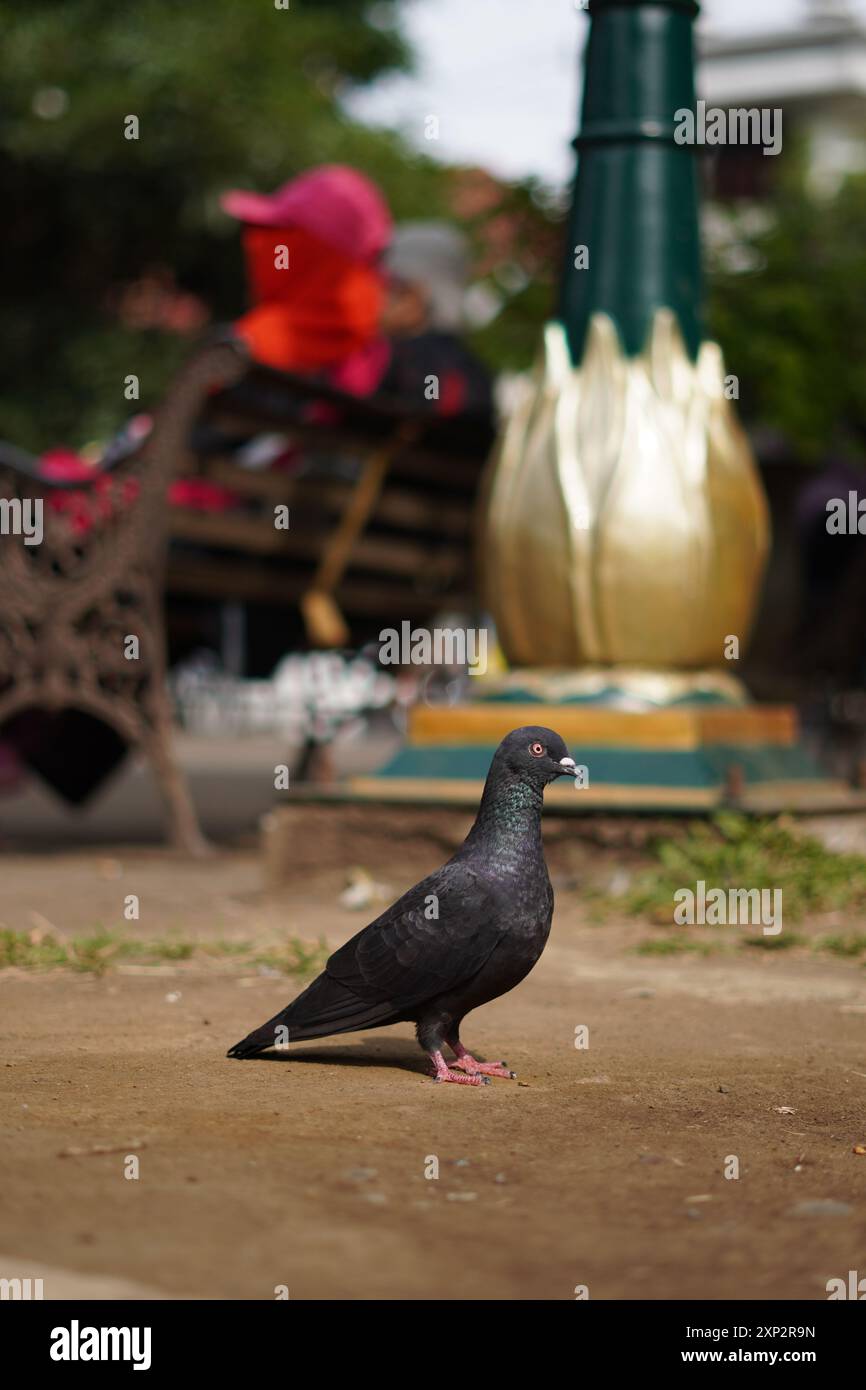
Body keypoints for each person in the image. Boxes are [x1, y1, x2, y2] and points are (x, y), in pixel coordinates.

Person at [377, 221, 494, 423]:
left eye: (389, 287)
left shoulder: (421, 363)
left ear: (414, 293)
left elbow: (430, 408)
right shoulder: (464, 365)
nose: (379, 300)